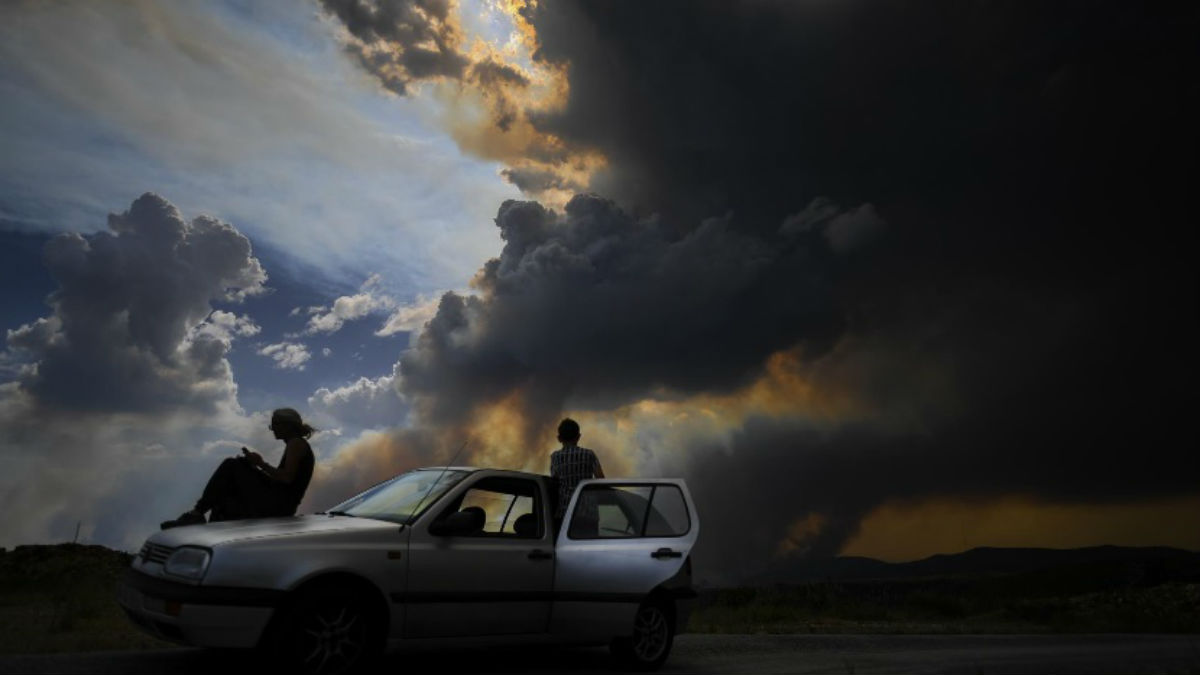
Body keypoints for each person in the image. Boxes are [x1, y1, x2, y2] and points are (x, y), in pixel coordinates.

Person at [161, 408, 316, 529]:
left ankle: (197, 513)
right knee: (228, 488)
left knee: (232, 465)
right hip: (280, 503)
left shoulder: (296, 443)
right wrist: (254, 464)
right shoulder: (296, 443)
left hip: (279, 505)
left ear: (288, 425)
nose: (272, 429)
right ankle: (208, 528)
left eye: (275, 424)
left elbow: (287, 478)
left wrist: (260, 464)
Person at [549, 417, 604, 530]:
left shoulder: (555, 457)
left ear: (559, 438)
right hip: (589, 513)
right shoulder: (589, 454)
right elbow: (601, 480)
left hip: (565, 513)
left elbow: (554, 481)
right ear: (578, 437)